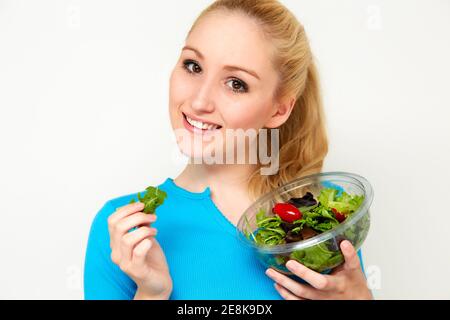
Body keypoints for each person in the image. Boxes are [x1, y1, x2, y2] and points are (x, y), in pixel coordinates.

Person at [84, 0, 373, 300]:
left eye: (236, 84)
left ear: (279, 109)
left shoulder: (324, 217)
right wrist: (152, 294)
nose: (199, 101)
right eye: (193, 66)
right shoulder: (124, 231)